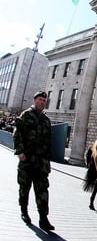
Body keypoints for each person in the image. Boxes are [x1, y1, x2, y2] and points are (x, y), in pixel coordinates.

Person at [12, 91, 55, 231]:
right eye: (40, 99)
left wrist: (47, 162)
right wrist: (20, 152)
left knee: (42, 190)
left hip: (41, 163)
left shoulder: (46, 121)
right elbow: (17, 133)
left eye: (44, 100)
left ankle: (43, 218)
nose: (42, 102)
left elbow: (48, 143)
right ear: (34, 100)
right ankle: (24, 211)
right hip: (27, 160)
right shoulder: (25, 115)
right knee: (24, 187)